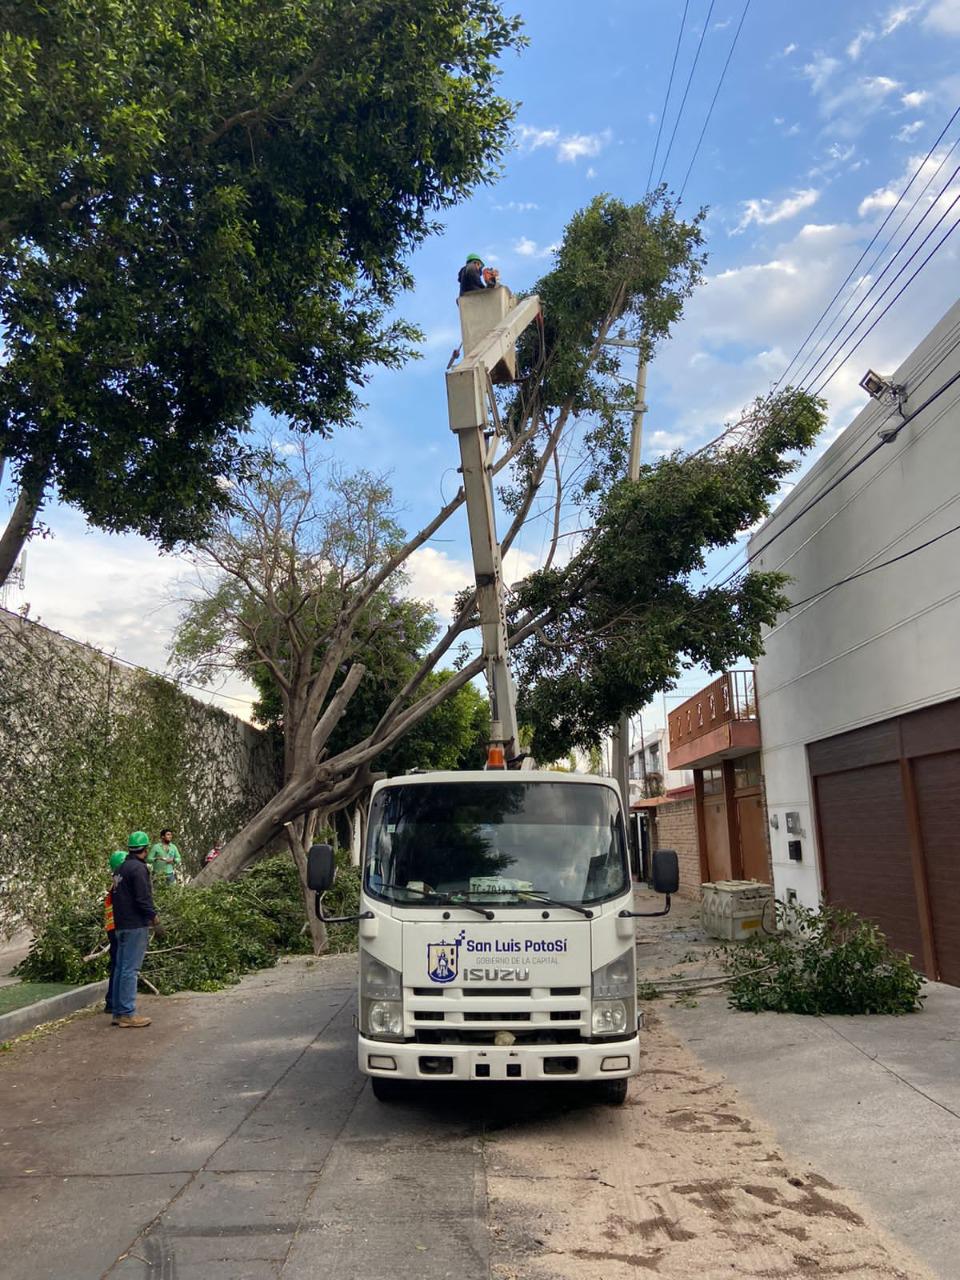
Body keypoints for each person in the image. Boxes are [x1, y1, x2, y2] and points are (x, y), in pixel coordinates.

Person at [110, 831, 159, 1028]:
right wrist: (154, 917)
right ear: (145, 849)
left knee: (121, 968)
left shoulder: (120, 869)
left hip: (121, 924)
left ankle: (118, 1012)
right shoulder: (139, 869)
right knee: (131, 970)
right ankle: (128, 1014)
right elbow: (143, 898)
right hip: (135, 925)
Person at [103, 850, 127, 1017]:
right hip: (117, 929)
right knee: (119, 966)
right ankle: (112, 1002)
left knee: (116, 965)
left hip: (112, 929)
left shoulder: (115, 882)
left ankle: (112, 1001)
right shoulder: (119, 884)